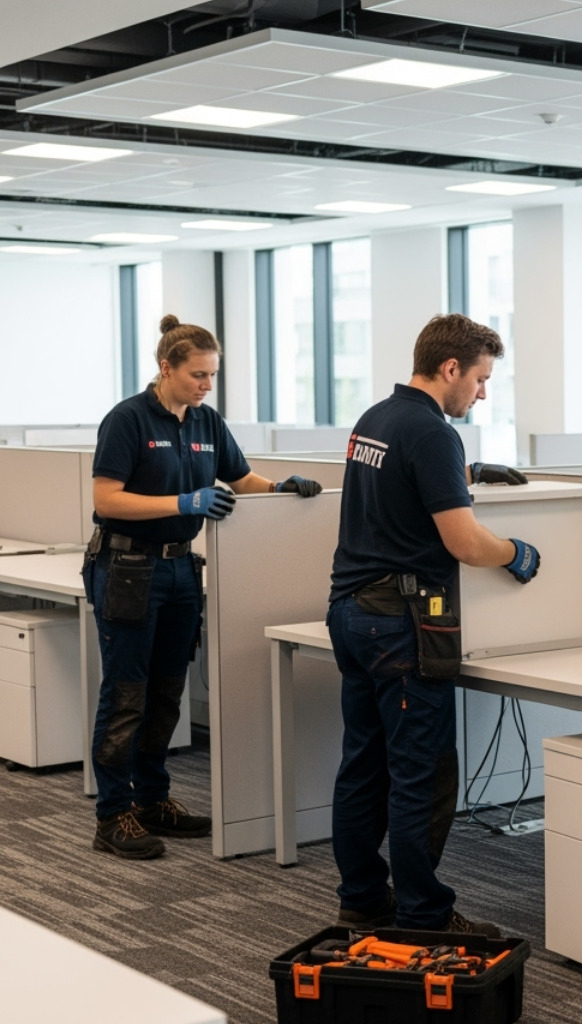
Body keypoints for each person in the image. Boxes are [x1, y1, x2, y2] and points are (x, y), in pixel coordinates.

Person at [327, 313, 538, 937]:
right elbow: (465, 543)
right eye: (480, 378)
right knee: (420, 773)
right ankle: (424, 914)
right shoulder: (434, 433)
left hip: (352, 611)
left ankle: (362, 898)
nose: (482, 392)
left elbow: (400, 488)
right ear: (451, 369)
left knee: (362, 765)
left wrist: (468, 478)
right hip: (404, 626)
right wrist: (516, 553)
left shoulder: (377, 418)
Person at [88, 315, 323, 860]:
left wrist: (281, 488)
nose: (206, 385)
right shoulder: (126, 419)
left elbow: (241, 480)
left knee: (167, 692)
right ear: (165, 367)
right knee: (126, 694)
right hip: (127, 569)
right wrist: (183, 502)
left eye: (212, 376)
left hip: (180, 570)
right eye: (198, 374)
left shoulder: (205, 422)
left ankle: (152, 801)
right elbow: (107, 499)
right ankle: (111, 815)